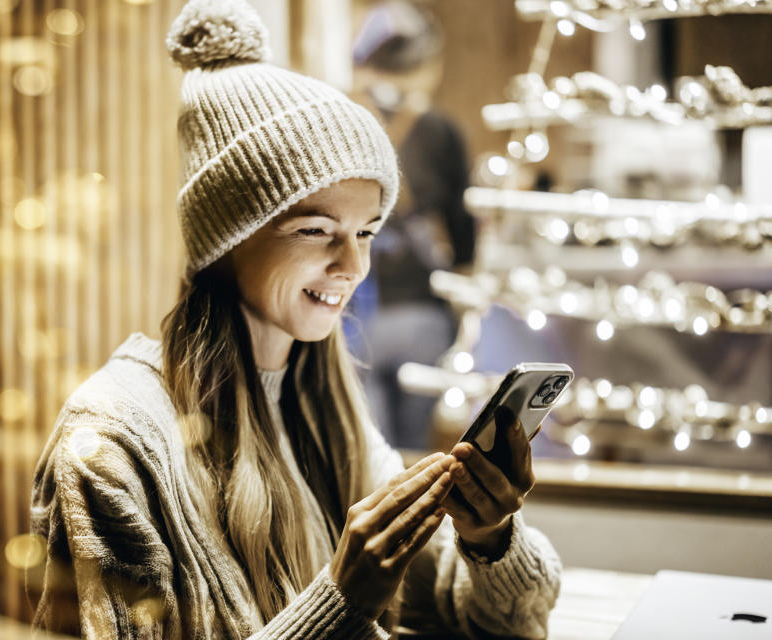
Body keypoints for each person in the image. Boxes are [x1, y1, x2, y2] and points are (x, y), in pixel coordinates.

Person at [29, 1, 561, 637]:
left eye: (365, 231)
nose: (353, 265)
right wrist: (340, 602)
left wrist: (490, 535)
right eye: (316, 230)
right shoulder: (112, 442)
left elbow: (490, 617)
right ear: (226, 238)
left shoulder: (326, 403)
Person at [349, 0, 475, 450]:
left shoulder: (346, 121)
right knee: (414, 451)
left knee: (372, 451)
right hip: (424, 311)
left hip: (356, 310)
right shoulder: (441, 131)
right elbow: (463, 236)